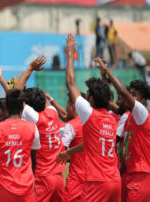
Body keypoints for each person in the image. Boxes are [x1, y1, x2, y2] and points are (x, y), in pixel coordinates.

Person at [57, 34, 121, 202]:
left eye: (88, 95)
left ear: (91, 99)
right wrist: (69, 152)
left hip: (97, 182)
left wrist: (70, 54)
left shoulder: (89, 114)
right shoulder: (111, 118)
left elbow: (70, 83)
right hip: (114, 180)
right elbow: (90, 144)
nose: (86, 98)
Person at [95, 59, 150, 201]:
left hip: (141, 175)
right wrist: (103, 76)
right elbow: (106, 102)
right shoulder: (129, 115)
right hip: (129, 173)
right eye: (130, 93)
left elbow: (123, 93)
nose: (129, 97)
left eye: (134, 95)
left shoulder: (142, 114)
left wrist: (107, 71)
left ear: (142, 100)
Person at [0, 89, 41, 202]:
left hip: (4, 187)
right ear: (22, 108)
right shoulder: (32, 127)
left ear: (6, 108)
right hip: (27, 188)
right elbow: (34, 159)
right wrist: (33, 180)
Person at [61, 93, 85, 202]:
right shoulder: (91, 122)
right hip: (93, 180)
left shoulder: (71, 125)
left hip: (76, 180)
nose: (66, 106)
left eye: (67, 103)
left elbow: (62, 150)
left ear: (74, 106)